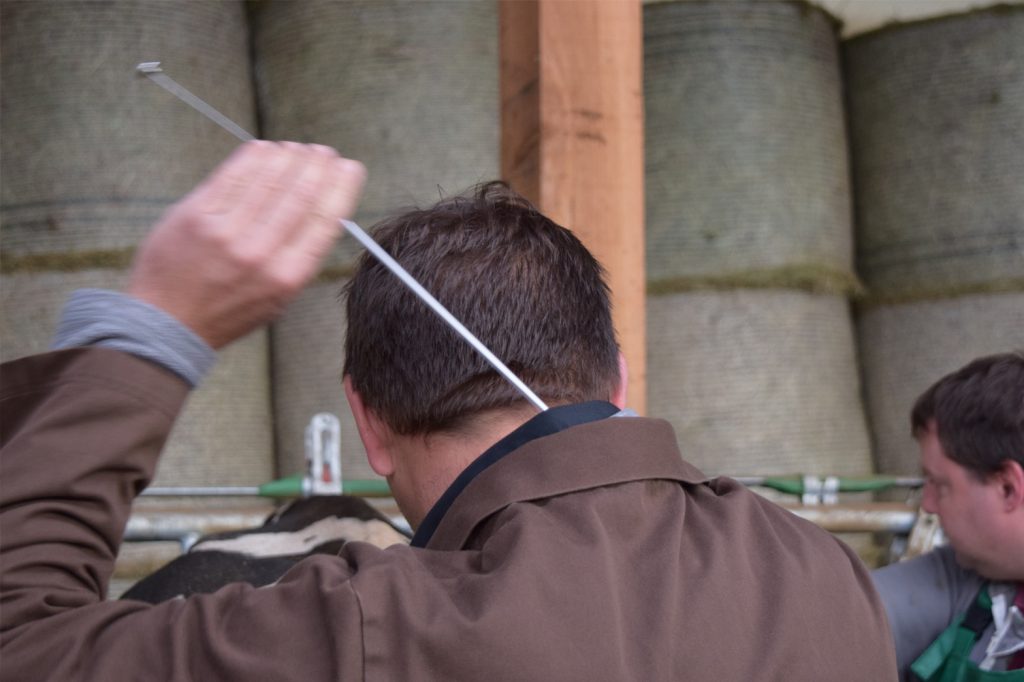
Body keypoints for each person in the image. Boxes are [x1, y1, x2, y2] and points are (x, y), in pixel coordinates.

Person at [0, 140, 897, 680]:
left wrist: (152, 331)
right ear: (617, 379)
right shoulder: (824, 574)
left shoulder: (369, 628)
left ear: (368, 422)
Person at [873, 352, 1024, 681]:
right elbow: (843, 609)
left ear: (1008, 488)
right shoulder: (970, 579)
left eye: (940, 485)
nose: (927, 505)